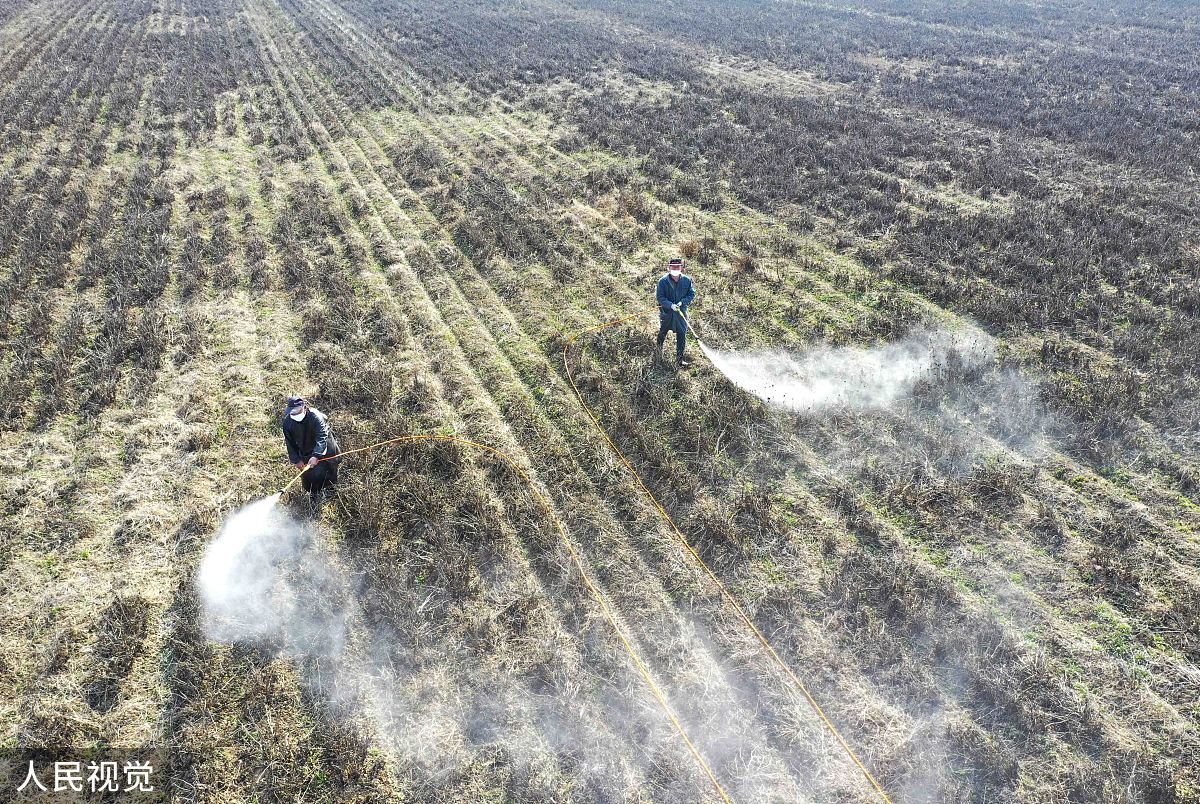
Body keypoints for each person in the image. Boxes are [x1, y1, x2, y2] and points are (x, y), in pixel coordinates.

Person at [281, 395, 340, 517]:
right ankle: (314, 495)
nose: (294, 413)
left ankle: (331, 491)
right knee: (309, 476)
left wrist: (317, 455)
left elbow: (322, 436)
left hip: (326, 449)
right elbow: (290, 443)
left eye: (296, 410)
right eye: (291, 411)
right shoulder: (287, 423)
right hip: (306, 451)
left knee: (329, 471)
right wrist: (296, 459)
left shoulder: (315, 416)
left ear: (303, 407)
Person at [655, 257, 696, 367]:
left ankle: (679, 360)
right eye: (673, 267)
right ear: (669, 268)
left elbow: (691, 294)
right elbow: (660, 297)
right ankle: (658, 355)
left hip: (681, 313)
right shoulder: (662, 281)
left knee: (682, 334)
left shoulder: (687, 281)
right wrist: (670, 305)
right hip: (667, 313)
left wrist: (682, 302)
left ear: (681, 268)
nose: (675, 269)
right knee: (662, 333)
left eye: (678, 267)